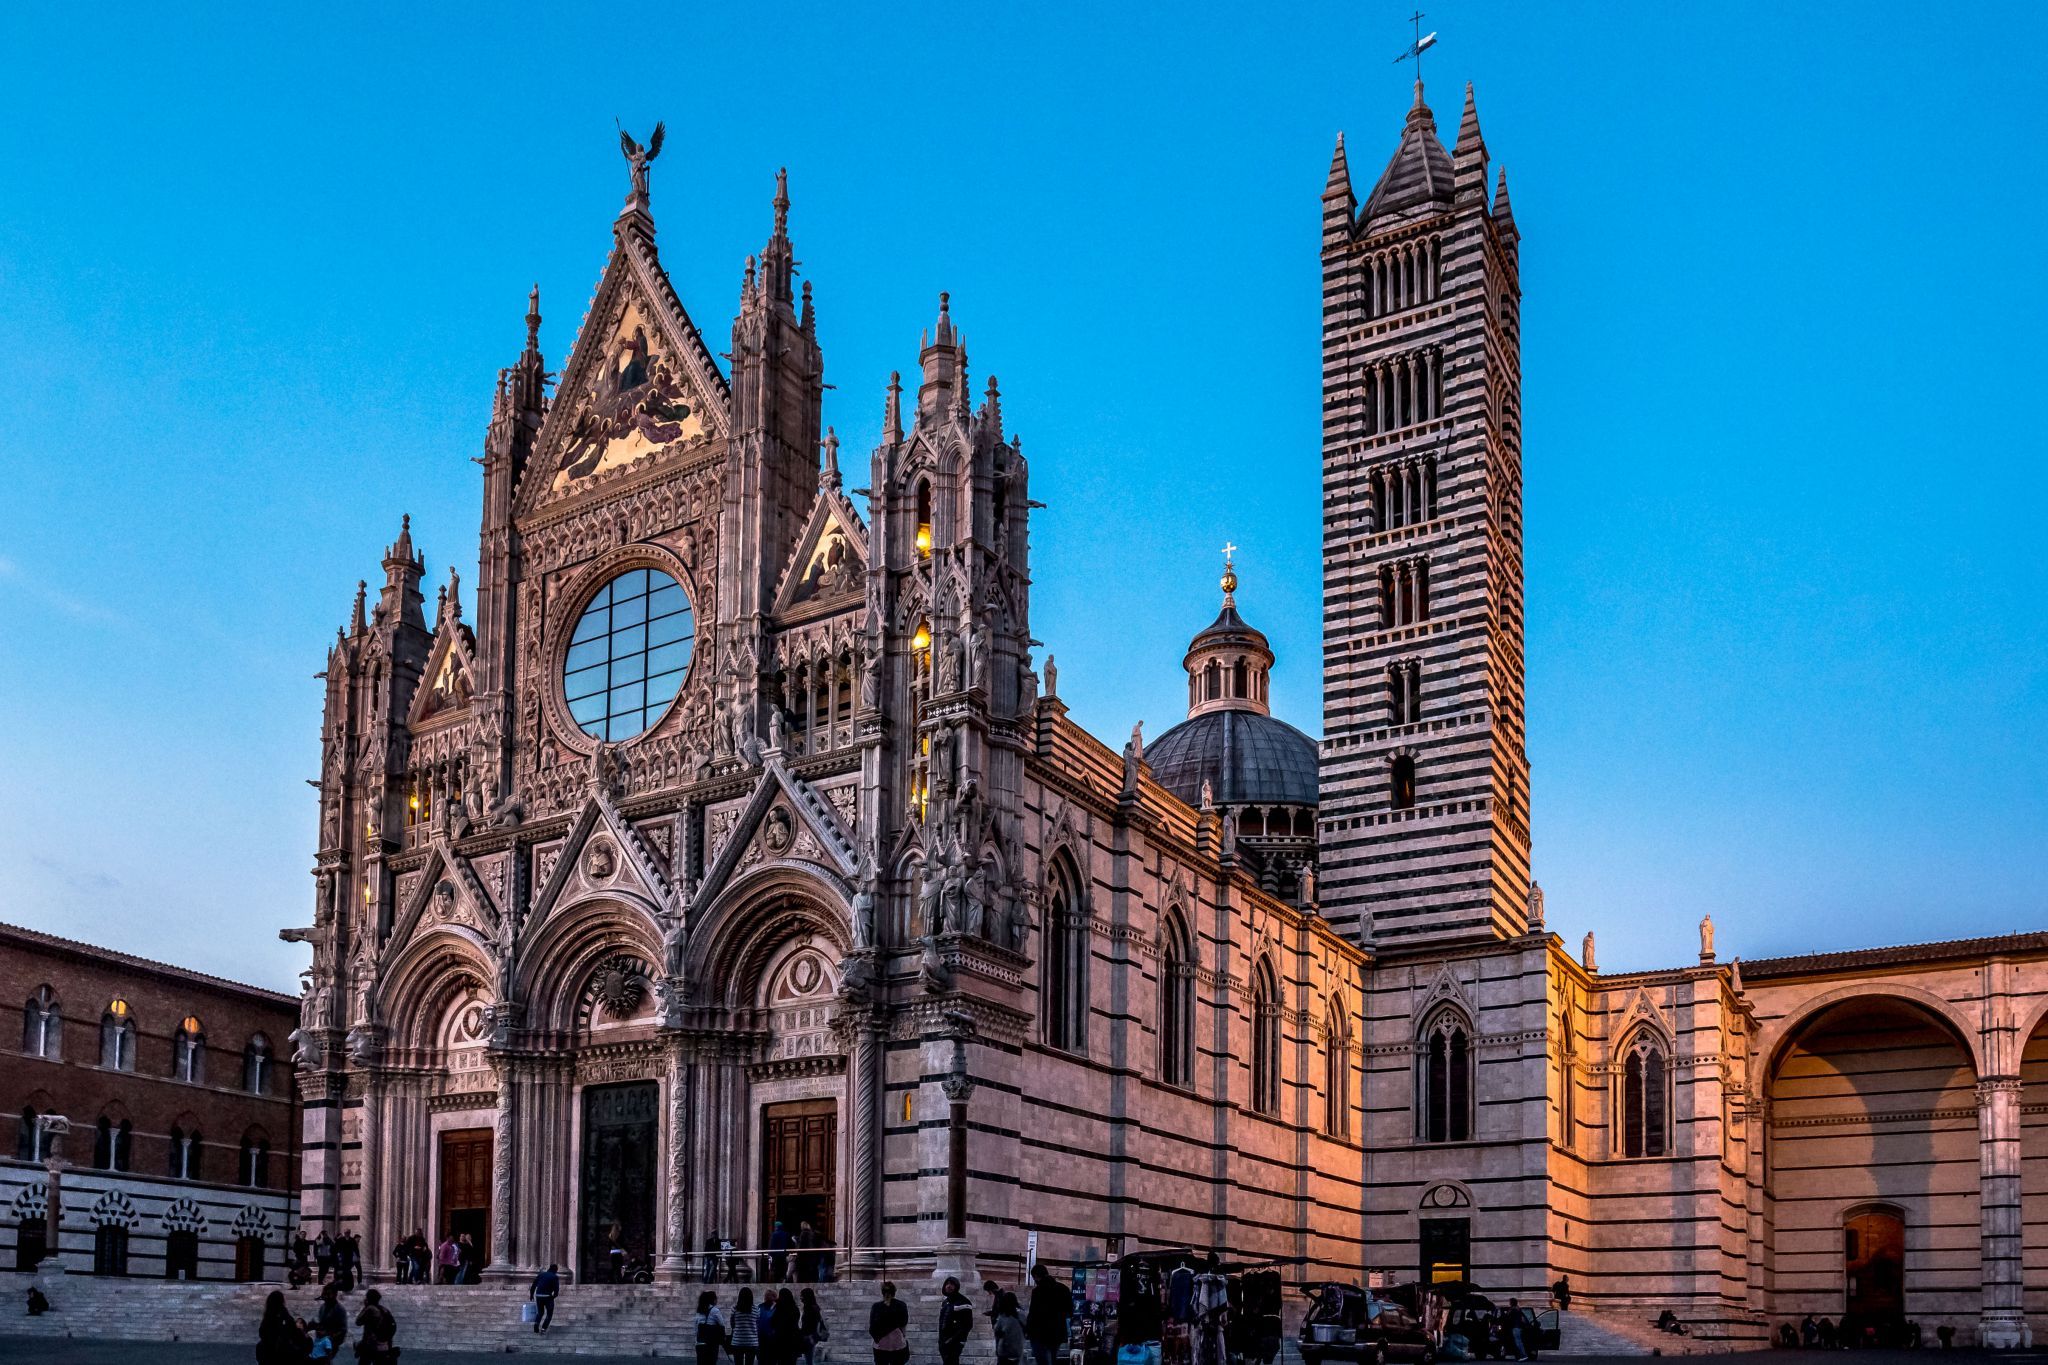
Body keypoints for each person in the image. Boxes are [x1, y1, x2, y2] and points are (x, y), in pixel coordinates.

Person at [1024, 1263, 1073, 1365]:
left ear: (1036, 1277)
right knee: (1052, 1356)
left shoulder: (1037, 1291)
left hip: (1040, 1332)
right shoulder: (1063, 1288)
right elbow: (1069, 1310)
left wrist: (1027, 1330)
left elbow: (1033, 1313)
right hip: (1057, 1331)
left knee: (1042, 1359)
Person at [258, 1288, 311, 1365]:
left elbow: (262, 1333)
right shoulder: (283, 1315)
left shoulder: (268, 1317)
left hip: (269, 1354)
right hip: (281, 1354)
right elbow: (293, 1331)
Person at [868, 1281, 910, 1365]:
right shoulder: (901, 1305)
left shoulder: (876, 1307)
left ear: (882, 1293)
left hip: (880, 1345)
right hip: (898, 1344)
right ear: (894, 1292)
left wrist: (877, 1338)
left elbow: (872, 1327)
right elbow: (904, 1323)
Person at [355, 1288, 398, 1365]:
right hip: (385, 1345)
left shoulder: (369, 1309)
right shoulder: (384, 1309)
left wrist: (365, 1306)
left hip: (371, 1345)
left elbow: (358, 1321)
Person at [937, 1275, 975, 1365]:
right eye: (947, 1284)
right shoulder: (945, 1302)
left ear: (956, 1286)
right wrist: (942, 1340)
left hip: (955, 1342)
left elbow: (967, 1325)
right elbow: (942, 1321)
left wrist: (953, 1340)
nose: (949, 1286)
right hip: (943, 1341)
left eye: (952, 1284)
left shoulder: (964, 1302)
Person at [311, 1284, 348, 1360]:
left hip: (331, 1342)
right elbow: (323, 1324)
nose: (325, 1297)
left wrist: (330, 1337)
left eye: (328, 1294)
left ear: (335, 1295)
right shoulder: (323, 1307)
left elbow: (343, 1329)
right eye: (324, 1294)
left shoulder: (339, 1310)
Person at [770, 1287, 802, 1365]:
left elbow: (773, 1322)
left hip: (781, 1340)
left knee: (781, 1361)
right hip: (793, 1339)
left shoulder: (779, 1308)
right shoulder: (795, 1308)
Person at [993, 1291, 1026, 1365]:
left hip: (1004, 1350)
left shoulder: (1003, 1317)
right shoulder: (1022, 1316)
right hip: (1018, 1349)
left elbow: (997, 1333)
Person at [730, 1287, 761, 1365]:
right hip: (752, 1342)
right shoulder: (756, 1309)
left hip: (737, 1341)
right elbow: (757, 1323)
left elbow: (732, 1324)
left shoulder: (735, 1308)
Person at [697, 1291, 729, 1365]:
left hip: (700, 1342)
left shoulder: (700, 1310)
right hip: (711, 1343)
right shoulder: (715, 1310)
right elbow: (722, 1324)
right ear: (713, 1299)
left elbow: (696, 1327)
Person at [799, 1287, 827, 1365]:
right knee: (809, 1358)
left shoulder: (810, 1308)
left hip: (809, 1336)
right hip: (812, 1336)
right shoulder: (813, 1307)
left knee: (809, 1359)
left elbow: (809, 1324)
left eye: (802, 1296)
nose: (800, 1298)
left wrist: (803, 1333)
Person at [531, 1263, 561, 1335]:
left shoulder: (541, 1274)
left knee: (540, 1312)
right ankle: (543, 1329)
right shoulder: (554, 1277)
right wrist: (554, 1296)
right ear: (555, 1270)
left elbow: (534, 1285)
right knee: (549, 1314)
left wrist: (531, 1295)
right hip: (547, 1296)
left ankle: (536, 1323)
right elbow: (556, 1288)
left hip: (538, 1295)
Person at [1505, 1297, 1530, 1361]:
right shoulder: (1518, 1309)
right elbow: (1523, 1319)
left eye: (1510, 1302)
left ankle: (1523, 1355)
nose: (1509, 1303)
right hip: (1519, 1327)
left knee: (1518, 1342)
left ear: (1512, 1303)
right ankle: (1520, 1356)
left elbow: (1507, 1318)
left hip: (1515, 1327)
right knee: (1518, 1342)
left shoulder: (1512, 1310)